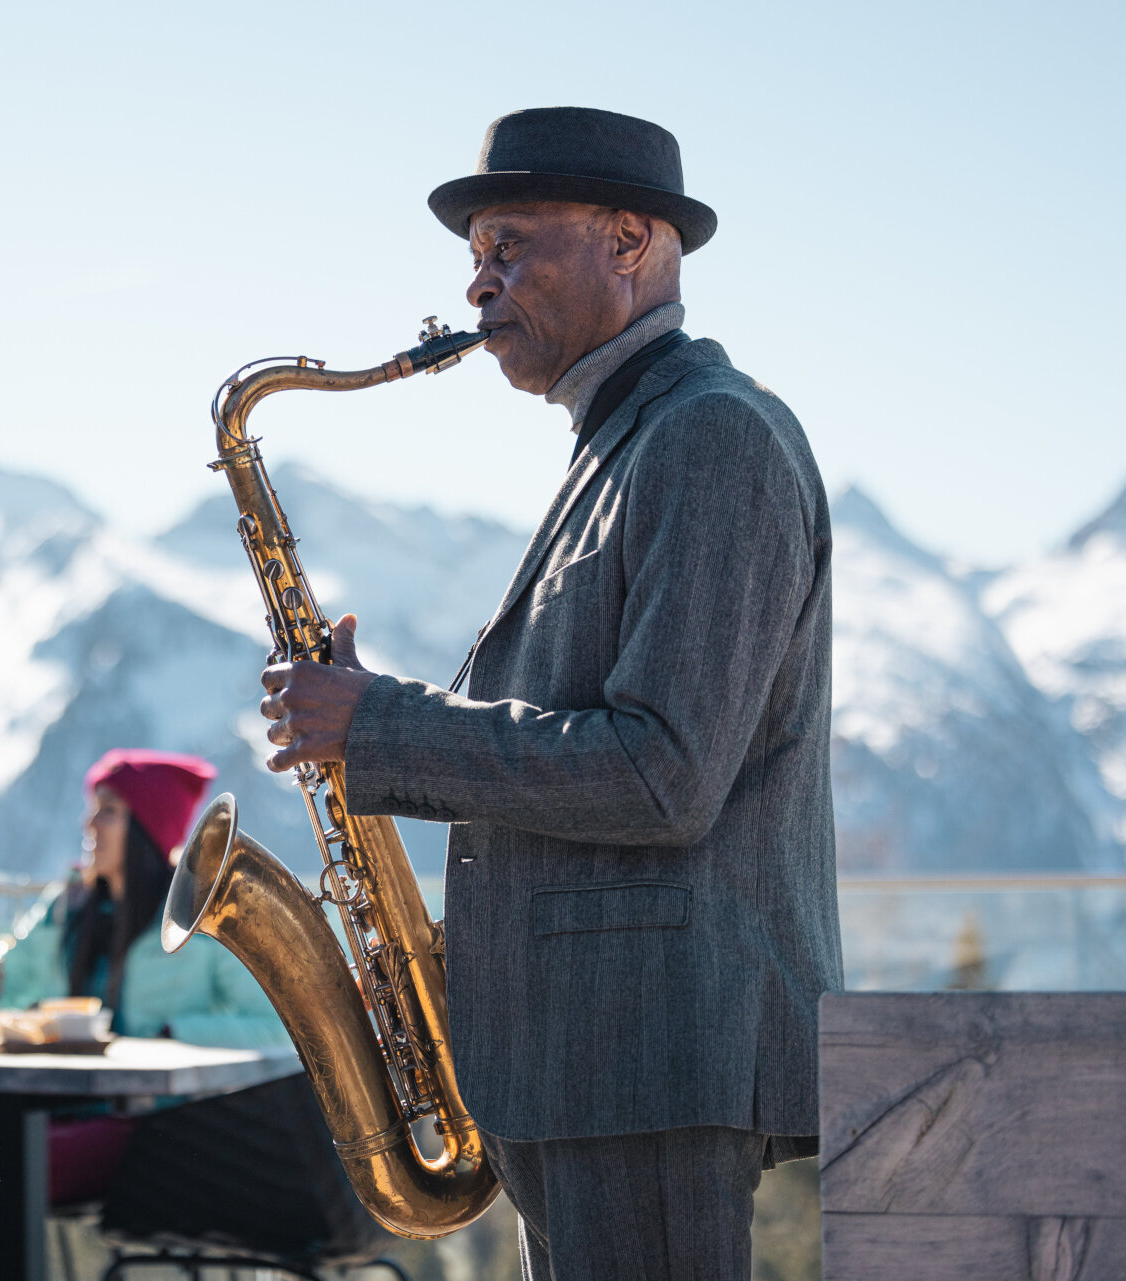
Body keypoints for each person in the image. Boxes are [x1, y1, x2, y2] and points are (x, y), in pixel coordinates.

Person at [255, 107, 841, 1280]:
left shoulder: (711, 438)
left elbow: (662, 771)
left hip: (646, 1057)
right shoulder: (626, 444)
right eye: (476, 259)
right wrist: (387, 710)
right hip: (590, 1061)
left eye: (510, 247)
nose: (478, 290)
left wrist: (387, 727)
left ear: (630, 242)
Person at [0, 749, 286, 1281]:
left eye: (108, 809)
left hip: (148, 1130)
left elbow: (277, 1027)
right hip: (44, 1111)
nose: (88, 823)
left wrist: (172, 1035)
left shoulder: (199, 921)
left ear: (146, 830)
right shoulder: (66, 908)